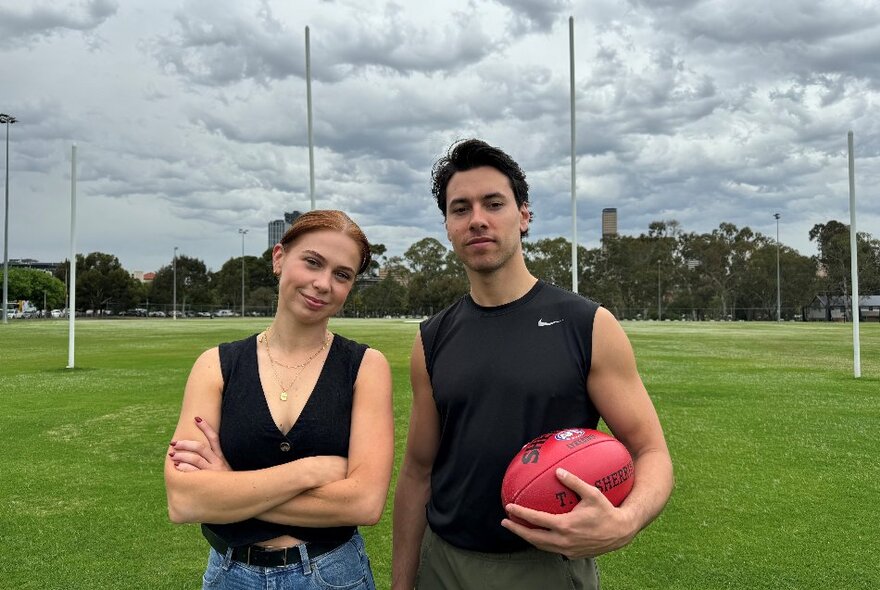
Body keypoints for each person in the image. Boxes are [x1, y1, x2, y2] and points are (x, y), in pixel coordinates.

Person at [392, 139, 674, 589]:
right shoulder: (432, 338)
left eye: (494, 203)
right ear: (447, 226)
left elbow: (651, 451)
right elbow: (417, 472)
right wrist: (403, 583)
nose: (477, 219)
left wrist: (627, 521)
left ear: (524, 216)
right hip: (443, 563)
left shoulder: (589, 324)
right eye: (460, 208)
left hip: (545, 567)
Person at [165, 209, 393, 590]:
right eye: (312, 262)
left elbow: (364, 503)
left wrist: (228, 488)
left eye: (342, 274)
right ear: (279, 258)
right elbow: (185, 501)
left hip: (332, 574)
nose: (323, 284)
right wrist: (308, 472)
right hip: (230, 575)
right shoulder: (216, 366)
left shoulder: (366, 367)